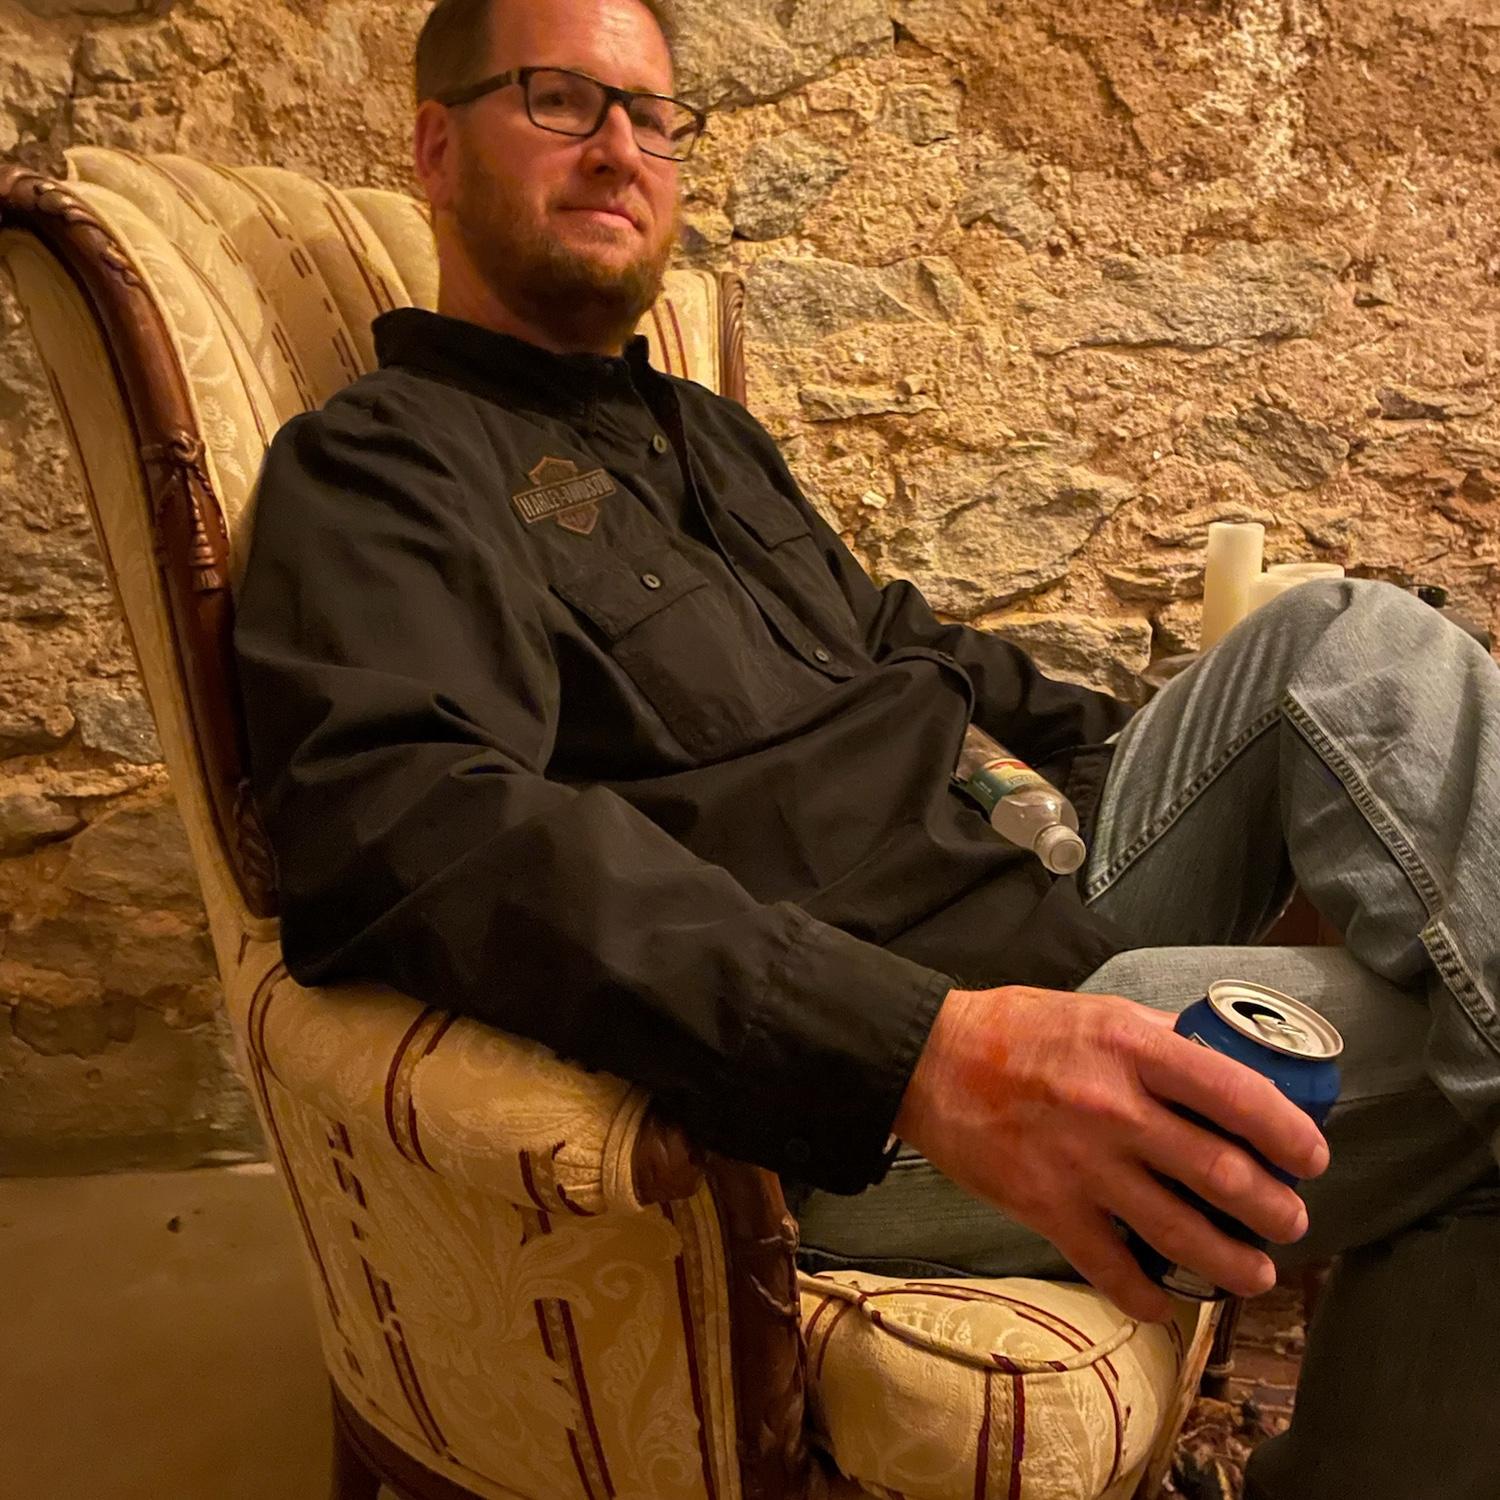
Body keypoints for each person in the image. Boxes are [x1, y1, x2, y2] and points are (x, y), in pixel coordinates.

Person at [231, 0, 1500, 1494]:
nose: (620, 149)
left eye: (651, 114)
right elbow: (415, 834)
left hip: (1034, 896)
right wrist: (922, 1053)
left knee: (1348, 637)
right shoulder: (384, 466)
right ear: (438, 146)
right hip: (866, 1076)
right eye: (562, 100)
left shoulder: (707, 438)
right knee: (1432, 1034)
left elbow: (914, 649)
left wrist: (1133, 775)